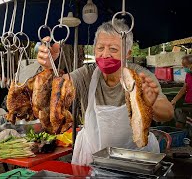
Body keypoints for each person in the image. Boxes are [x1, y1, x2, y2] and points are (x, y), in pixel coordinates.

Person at [37, 19, 174, 165]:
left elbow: (168, 113)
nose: (105, 54)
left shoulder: (141, 77)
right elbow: (57, 88)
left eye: (113, 49)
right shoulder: (87, 74)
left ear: (127, 53)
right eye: (100, 48)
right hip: (93, 157)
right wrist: (49, 67)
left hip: (135, 159)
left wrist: (149, 104)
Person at [171, 54, 192, 137]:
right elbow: (184, 88)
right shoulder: (188, 74)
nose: (184, 68)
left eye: (185, 66)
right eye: (183, 66)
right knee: (179, 125)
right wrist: (174, 100)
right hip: (188, 104)